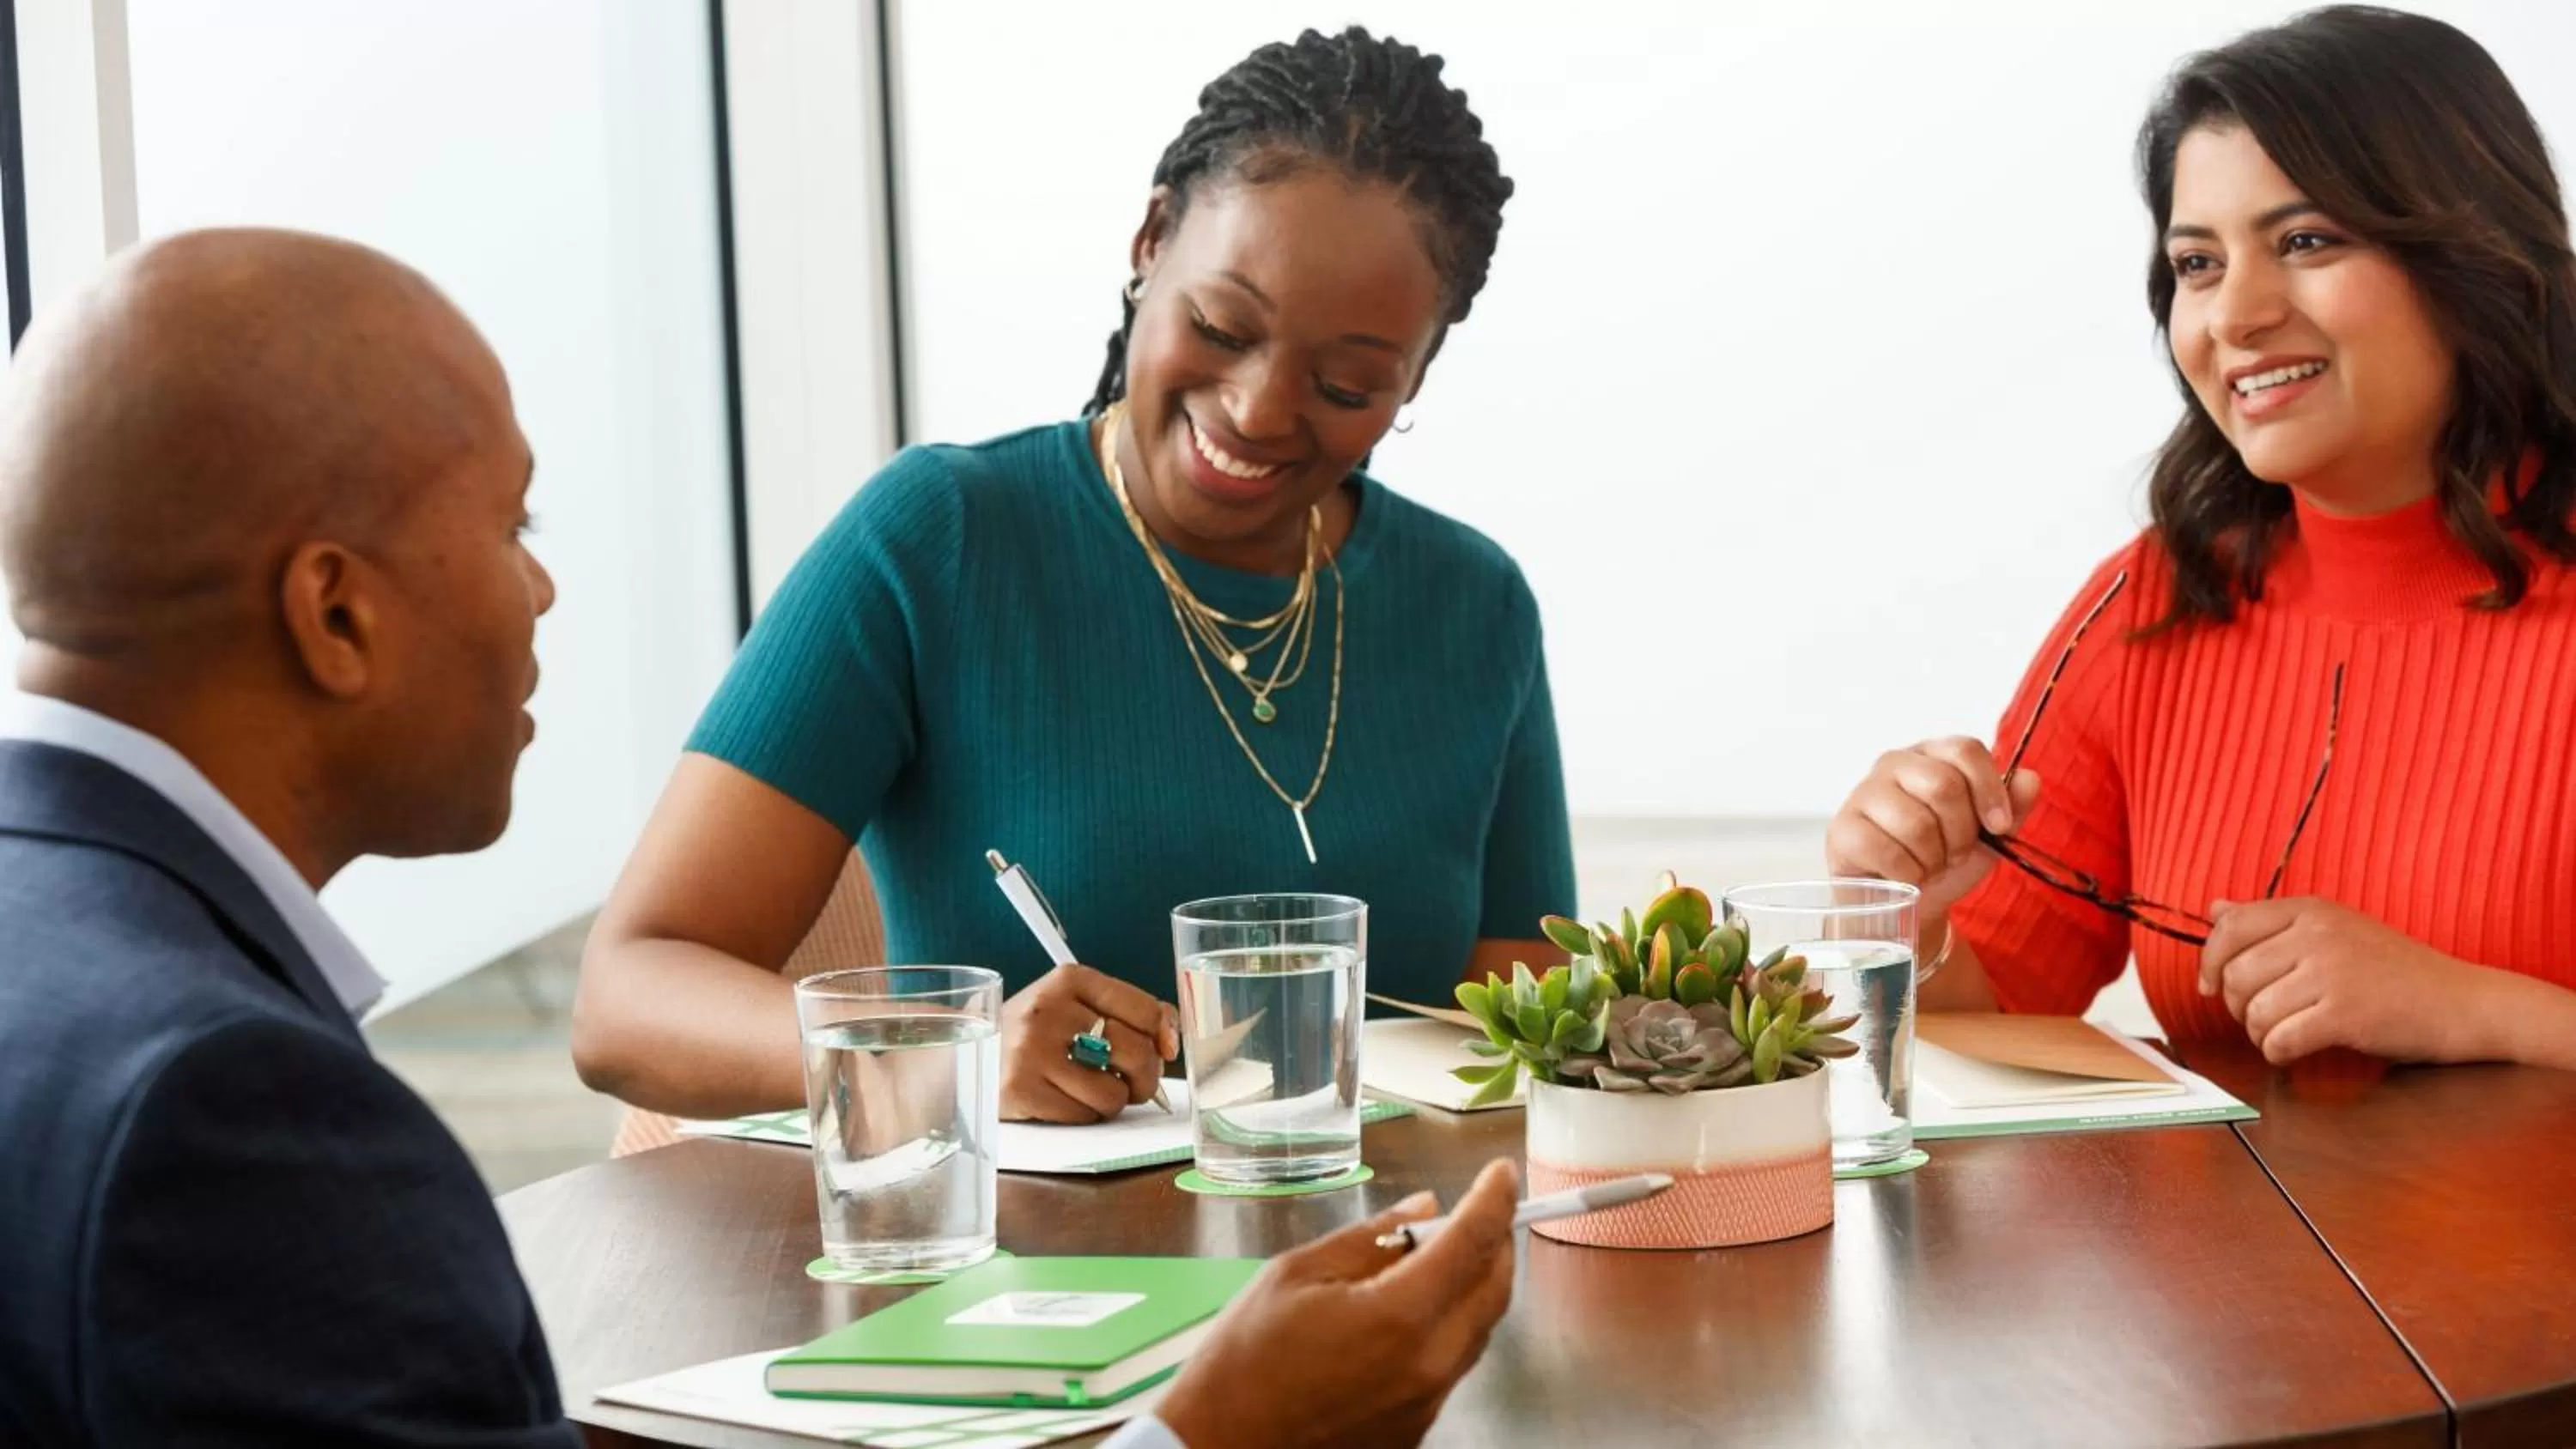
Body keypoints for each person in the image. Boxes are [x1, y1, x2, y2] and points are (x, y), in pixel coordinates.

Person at [0, 227, 1522, 1446]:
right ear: (334, 609)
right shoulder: (235, 1114)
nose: (542, 596)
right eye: (516, 527)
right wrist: (1208, 1437)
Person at [574, 25, 1574, 1129]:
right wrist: (947, 1057)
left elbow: (1518, 1050)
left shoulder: (1474, 607)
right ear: (1151, 241)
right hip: (1024, 1289)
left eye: (1346, 386)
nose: (1256, 409)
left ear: (1417, 372)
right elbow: (628, 997)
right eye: (1220, 325)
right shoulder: (942, 541)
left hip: (1381, 1269)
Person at [1826, 5, 2576, 1070]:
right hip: (2242, 1242)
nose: (2235, 315)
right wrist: (1912, 911)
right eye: (2197, 263)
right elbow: (1993, 1021)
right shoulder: (2147, 605)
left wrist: (2475, 1011)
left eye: (2306, 241)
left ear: (2474, 252)